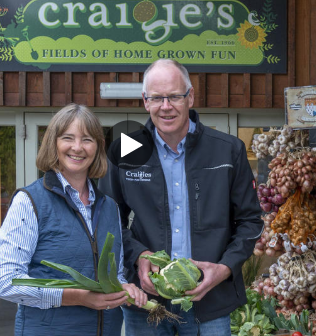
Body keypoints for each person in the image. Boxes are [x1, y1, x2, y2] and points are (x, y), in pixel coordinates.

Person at [98, 59, 263, 336]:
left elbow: (250, 221)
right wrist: (138, 255)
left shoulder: (228, 151)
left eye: (174, 96)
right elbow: (107, 219)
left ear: (191, 97)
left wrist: (224, 269)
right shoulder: (125, 150)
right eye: (157, 98)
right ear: (145, 101)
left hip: (210, 300)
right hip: (146, 303)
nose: (166, 106)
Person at [0, 103, 147, 336]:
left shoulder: (110, 207)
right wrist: (76, 297)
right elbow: (5, 282)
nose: (77, 147)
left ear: (98, 147)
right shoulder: (29, 201)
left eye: (87, 139)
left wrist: (124, 288)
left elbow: (114, 275)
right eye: (68, 138)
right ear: (53, 143)